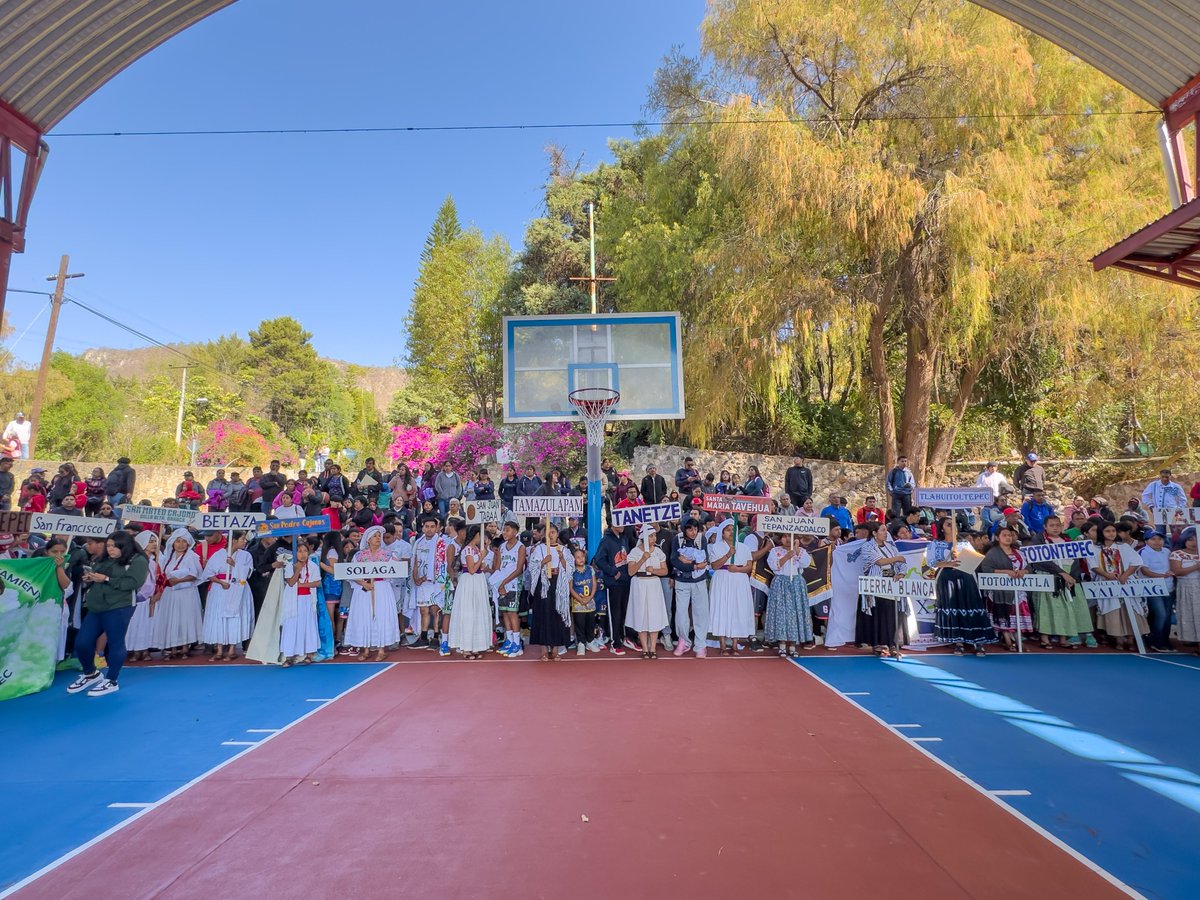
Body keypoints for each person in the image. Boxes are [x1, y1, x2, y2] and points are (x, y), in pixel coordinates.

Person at [66, 532, 149, 697]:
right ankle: (91, 674)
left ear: (124, 546)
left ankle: (111, 680)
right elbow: (99, 576)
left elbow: (133, 583)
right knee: (82, 642)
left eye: (114, 546)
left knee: (115, 643)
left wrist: (106, 579)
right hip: (97, 606)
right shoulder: (103, 559)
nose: (110, 549)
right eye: (109, 545)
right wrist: (90, 578)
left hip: (120, 607)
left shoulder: (137, 560)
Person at [927, 519, 996, 656]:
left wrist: (963, 557)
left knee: (969, 605)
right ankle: (958, 641)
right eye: (948, 524)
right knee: (954, 606)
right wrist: (948, 562)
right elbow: (930, 562)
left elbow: (973, 560)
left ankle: (977, 640)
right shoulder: (934, 544)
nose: (953, 526)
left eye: (954, 524)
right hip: (947, 578)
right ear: (942, 529)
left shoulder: (964, 543)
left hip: (966, 576)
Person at [1028, 516, 1092, 649]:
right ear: (1045, 527)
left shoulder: (1067, 540)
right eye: (1051, 525)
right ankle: (1045, 638)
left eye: (1057, 525)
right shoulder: (1039, 540)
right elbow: (1039, 561)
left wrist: (1072, 577)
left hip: (1068, 578)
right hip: (1049, 577)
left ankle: (1064, 637)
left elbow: (1076, 560)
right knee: (1046, 608)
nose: (1055, 528)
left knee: (1066, 607)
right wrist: (1061, 573)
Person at [344, 525, 400, 661]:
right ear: (368, 539)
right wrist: (363, 583)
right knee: (364, 616)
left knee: (381, 615)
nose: (377, 538)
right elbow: (351, 573)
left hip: (381, 587)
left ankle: (381, 649)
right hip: (364, 589)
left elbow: (396, 571)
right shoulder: (359, 555)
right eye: (374, 536)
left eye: (379, 536)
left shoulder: (388, 555)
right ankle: (366, 648)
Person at [1091, 521, 1149, 651]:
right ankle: (1119, 640)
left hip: (1126, 581)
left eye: (1113, 531)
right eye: (1107, 531)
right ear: (1101, 533)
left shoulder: (1123, 547)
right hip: (1107, 583)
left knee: (1133, 609)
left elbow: (1136, 562)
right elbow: (1093, 566)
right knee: (1114, 610)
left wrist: (1125, 575)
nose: (1111, 533)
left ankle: (1131, 639)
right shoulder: (1094, 548)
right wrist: (1107, 575)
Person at [978, 526, 1036, 651]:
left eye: (1010, 535)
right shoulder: (992, 553)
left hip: (1018, 590)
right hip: (1000, 590)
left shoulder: (1019, 553)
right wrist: (1005, 572)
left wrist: (1024, 571)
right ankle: (1008, 640)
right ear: (998, 538)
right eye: (1005, 535)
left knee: (1018, 613)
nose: (1008, 537)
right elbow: (986, 569)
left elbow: (1030, 568)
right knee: (1004, 613)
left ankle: (1018, 640)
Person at [201, 531, 254, 661]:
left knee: (235, 617)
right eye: (242, 539)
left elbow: (248, 572)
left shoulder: (246, 555)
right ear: (234, 540)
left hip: (237, 588)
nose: (245, 541)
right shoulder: (217, 555)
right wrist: (220, 582)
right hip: (220, 589)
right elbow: (208, 573)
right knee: (219, 617)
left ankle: (232, 649)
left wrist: (235, 565)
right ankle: (219, 649)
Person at [859, 522, 909, 658]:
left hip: (891, 584)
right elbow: (879, 562)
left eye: (886, 530)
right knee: (877, 615)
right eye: (882, 530)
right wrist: (898, 558)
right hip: (876, 585)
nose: (885, 533)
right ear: (874, 533)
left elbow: (902, 564)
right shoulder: (867, 547)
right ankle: (877, 644)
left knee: (892, 615)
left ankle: (892, 644)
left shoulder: (891, 547)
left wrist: (901, 574)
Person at [155, 528, 203, 660]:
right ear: (172, 542)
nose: (181, 544)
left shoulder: (191, 556)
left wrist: (179, 580)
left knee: (184, 618)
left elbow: (195, 574)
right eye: (178, 541)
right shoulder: (168, 557)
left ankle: (185, 647)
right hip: (170, 593)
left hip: (186, 593)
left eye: (184, 541)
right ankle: (173, 647)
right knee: (172, 618)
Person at [708, 520, 754, 655]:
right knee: (722, 608)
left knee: (737, 609)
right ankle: (722, 644)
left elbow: (749, 566)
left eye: (733, 529)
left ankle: (734, 644)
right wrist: (728, 555)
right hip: (722, 580)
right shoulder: (715, 548)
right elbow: (714, 566)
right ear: (722, 533)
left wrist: (737, 570)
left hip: (739, 580)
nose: (731, 532)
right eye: (728, 530)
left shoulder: (744, 548)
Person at [764, 531, 813, 657]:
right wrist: (786, 556)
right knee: (781, 613)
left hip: (796, 582)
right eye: (785, 536)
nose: (787, 539)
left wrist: (796, 550)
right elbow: (774, 566)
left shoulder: (800, 550)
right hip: (781, 582)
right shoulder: (775, 551)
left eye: (790, 537)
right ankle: (781, 644)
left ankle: (793, 645)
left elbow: (806, 563)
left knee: (795, 613)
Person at [528, 523, 573, 661]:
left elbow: (571, 570)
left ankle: (555, 649)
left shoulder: (564, 550)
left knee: (557, 614)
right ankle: (543, 649)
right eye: (548, 532)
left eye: (553, 532)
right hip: (544, 584)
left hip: (558, 584)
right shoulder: (539, 549)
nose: (550, 535)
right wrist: (542, 562)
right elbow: (531, 568)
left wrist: (562, 560)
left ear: (557, 534)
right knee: (543, 614)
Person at [624, 525, 669, 658]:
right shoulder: (634, 552)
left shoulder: (658, 552)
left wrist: (654, 570)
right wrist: (642, 559)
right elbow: (631, 571)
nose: (653, 538)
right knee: (641, 615)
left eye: (654, 535)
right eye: (650, 535)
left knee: (654, 615)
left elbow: (665, 570)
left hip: (653, 583)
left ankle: (653, 648)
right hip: (639, 584)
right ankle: (644, 648)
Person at [448, 526, 492, 659]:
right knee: (468, 612)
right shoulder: (467, 549)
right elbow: (471, 569)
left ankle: (475, 646)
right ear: (476, 535)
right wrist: (481, 558)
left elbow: (478, 567)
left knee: (477, 611)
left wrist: (482, 561)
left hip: (478, 581)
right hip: (470, 581)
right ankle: (466, 648)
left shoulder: (477, 549)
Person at [670, 519, 710, 657]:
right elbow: (675, 560)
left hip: (699, 580)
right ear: (684, 530)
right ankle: (684, 641)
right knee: (681, 613)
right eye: (690, 529)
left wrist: (688, 560)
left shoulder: (701, 539)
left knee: (701, 613)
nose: (693, 532)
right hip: (682, 581)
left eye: (695, 529)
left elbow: (704, 560)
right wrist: (693, 565)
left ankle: (700, 645)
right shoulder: (677, 539)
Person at [278, 540, 321, 666]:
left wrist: (302, 584)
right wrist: (298, 570)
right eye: (299, 551)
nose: (302, 554)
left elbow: (317, 582)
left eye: (305, 551)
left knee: (307, 625)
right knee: (291, 626)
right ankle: (289, 655)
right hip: (293, 600)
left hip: (307, 599)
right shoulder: (290, 566)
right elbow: (291, 583)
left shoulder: (313, 566)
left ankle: (309, 653)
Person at [593, 522, 634, 655]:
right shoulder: (605, 540)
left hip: (626, 582)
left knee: (625, 612)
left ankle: (624, 638)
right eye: (619, 522)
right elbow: (599, 560)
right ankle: (614, 643)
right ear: (612, 524)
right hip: (613, 584)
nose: (622, 525)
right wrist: (613, 572)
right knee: (615, 614)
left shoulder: (624, 538)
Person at [489, 519, 526, 658]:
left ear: (515, 532)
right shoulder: (502, 547)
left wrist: (504, 582)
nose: (505, 532)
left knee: (512, 613)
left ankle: (517, 644)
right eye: (504, 530)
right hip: (502, 584)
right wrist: (498, 583)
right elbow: (498, 567)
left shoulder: (520, 547)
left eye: (508, 530)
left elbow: (519, 569)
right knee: (504, 613)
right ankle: (509, 641)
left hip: (513, 584)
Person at [411, 515, 448, 649]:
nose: (429, 529)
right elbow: (414, 561)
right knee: (423, 609)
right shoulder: (418, 542)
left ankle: (436, 637)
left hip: (435, 582)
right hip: (421, 582)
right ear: (422, 527)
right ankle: (423, 637)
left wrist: (428, 576)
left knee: (435, 609)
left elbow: (441, 562)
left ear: (437, 528)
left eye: (432, 527)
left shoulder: (440, 543)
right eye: (427, 526)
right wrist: (415, 577)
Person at [1139, 530, 1174, 652]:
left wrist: (1171, 574)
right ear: (1146, 541)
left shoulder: (1167, 551)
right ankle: (1156, 640)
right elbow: (1145, 571)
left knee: (1168, 616)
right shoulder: (1143, 552)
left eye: (1159, 539)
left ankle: (1165, 640)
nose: (1157, 542)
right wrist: (1161, 576)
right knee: (1161, 614)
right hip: (1152, 589)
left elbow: (1172, 566)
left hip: (1168, 587)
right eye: (1153, 539)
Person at [1170, 529, 1200, 654]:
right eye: (1190, 539)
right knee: (1191, 614)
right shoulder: (1177, 554)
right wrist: (1196, 566)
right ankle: (1195, 642)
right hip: (1187, 586)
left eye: (1196, 539)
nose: (1193, 542)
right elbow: (1177, 571)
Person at [568, 546, 600, 655]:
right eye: (577, 557)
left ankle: (590, 641)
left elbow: (594, 584)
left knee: (590, 622)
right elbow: (571, 588)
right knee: (579, 623)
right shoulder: (572, 571)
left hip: (590, 601)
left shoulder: (590, 569)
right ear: (573, 559)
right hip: (578, 602)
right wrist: (579, 599)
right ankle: (581, 642)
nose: (581, 559)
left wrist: (590, 597)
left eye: (582, 556)